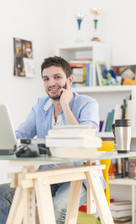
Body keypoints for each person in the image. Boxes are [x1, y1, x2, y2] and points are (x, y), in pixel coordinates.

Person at [0, 56, 101, 224]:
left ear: (69, 80)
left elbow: (83, 138)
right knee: (2, 194)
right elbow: (21, 133)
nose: (51, 83)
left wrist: (65, 106)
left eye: (57, 77)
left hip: (79, 177)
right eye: (46, 79)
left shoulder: (87, 104)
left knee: (57, 208)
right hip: (48, 175)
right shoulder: (41, 105)